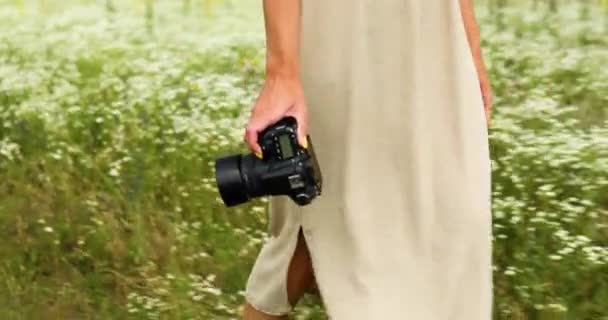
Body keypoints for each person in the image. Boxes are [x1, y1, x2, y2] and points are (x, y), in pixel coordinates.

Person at [241, 0, 493, 319]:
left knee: (457, 215)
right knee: (326, 224)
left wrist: (468, 40)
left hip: (434, 34)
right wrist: (281, 72)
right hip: (344, 34)